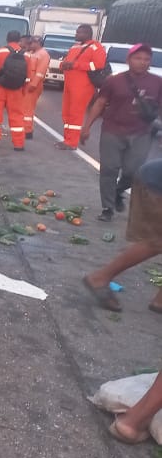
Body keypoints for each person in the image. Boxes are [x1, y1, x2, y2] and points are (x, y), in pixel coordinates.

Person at [80, 43, 162, 221]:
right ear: (128, 60)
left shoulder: (157, 82)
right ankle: (107, 208)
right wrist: (86, 127)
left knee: (134, 172)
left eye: (146, 59)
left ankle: (118, 190)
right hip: (113, 130)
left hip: (141, 133)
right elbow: (100, 103)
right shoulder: (113, 81)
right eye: (138, 58)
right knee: (109, 169)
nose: (142, 62)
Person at [82, 158, 162, 316]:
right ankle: (99, 278)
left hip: (151, 178)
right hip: (155, 184)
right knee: (157, 241)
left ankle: (160, 301)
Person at [58, 25, 108, 150]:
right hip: (69, 84)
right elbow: (67, 61)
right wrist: (63, 65)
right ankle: (67, 139)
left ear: (87, 34)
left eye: (79, 32)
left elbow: (98, 65)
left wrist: (76, 65)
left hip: (83, 86)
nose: (76, 34)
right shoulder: (74, 47)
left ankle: (72, 142)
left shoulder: (96, 47)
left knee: (76, 113)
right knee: (66, 113)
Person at [0, 30, 32, 150]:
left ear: (7, 39)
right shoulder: (26, 56)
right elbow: (27, 77)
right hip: (16, 90)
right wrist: (23, 91)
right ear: (19, 40)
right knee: (17, 116)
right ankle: (19, 144)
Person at [23, 35, 50, 141]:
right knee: (24, 107)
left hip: (33, 85)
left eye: (31, 43)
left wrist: (33, 84)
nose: (30, 45)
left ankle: (27, 130)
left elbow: (40, 72)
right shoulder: (32, 53)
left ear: (38, 43)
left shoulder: (43, 54)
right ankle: (24, 128)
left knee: (28, 108)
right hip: (27, 83)